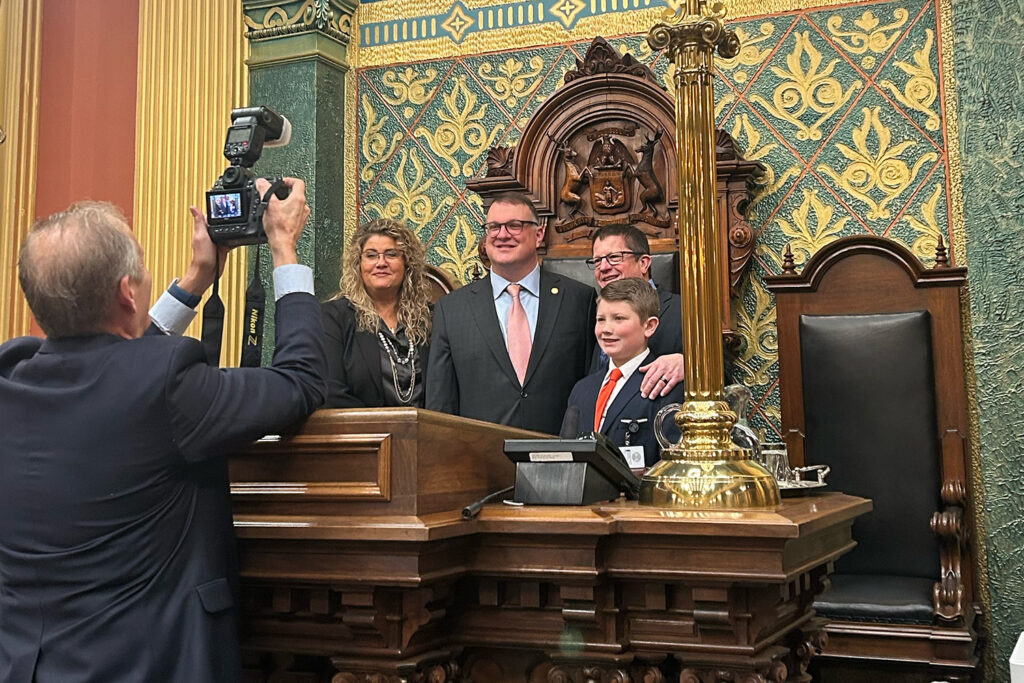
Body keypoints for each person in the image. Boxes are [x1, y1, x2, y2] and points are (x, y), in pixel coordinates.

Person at [0, 179, 326, 683]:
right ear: (128, 292)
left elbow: (119, 374)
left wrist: (196, 279)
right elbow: (299, 382)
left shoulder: (13, 375)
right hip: (147, 665)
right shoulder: (165, 385)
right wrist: (285, 250)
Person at [426, 191, 595, 434]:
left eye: (514, 226)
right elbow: (440, 403)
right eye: (494, 227)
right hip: (479, 459)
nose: (502, 235)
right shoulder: (452, 309)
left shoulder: (579, 300)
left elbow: (591, 386)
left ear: (539, 234)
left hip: (561, 457)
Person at [562, 278, 684, 468]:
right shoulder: (582, 389)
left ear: (649, 326)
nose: (606, 330)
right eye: (600, 320)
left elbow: (676, 465)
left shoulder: (666, 385)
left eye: (619, 319)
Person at [321, 218, 432, 407]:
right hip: (363, 433)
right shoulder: (333, 318)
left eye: (391, 254)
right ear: (358, 264)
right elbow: (330, 392)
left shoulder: (431, 319)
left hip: (428, 433)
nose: (381, 263)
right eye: (371, 255)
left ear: (407, 264)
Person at [587, 223, 686, 398]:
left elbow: (724, 375)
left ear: (643, 263)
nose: (603, 267)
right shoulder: (593, 314)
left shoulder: (684, 311)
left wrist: (689, 366)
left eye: (614, 257)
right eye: (596, 261)